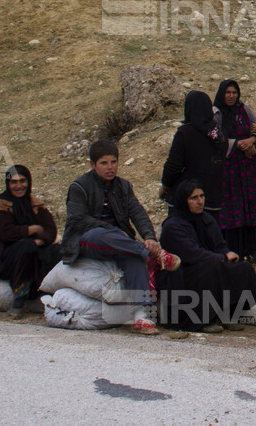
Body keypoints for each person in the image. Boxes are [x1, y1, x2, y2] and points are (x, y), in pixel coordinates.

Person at [60, 139, 179, 336]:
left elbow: (137, 212)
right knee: (105, 235)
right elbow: (78, 220)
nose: (110, 167)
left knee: (133, 256)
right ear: (92, 165)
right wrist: (112, 230)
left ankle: (141, 315)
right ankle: (152, 254)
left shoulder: (123, 186)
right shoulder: (79, 187)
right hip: (88, 239)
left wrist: (149, 237)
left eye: (113, 162)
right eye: (104, 163)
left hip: (121, 242)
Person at [158, 179, 256, 332]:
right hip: (183, 274)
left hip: (208, 265)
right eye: (194, 198)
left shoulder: (206, 219)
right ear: (183, 201)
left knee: (243, 269)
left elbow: (219, 245)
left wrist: (227, 254)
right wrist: (222, 258)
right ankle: (201, 320)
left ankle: (227, 316)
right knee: (210, 267)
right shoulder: (173, 225)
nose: (200, 201)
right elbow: (192, 254)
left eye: (202, 196)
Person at [0, 165, 63, 315]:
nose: (19, 186)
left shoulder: (36, 204)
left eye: (22, 181)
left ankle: (44, 293)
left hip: (36, 248)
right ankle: (20, 296)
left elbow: (50, 229)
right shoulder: (1, 204)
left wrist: (40, 241)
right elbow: (3, 232)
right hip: (6, 256)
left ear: (29, 182)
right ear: (8, 184)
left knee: (57, 251)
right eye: (14, 182)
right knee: (27, 248)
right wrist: (31, 230)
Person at [213, 79, 256, 262]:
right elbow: (213, 138)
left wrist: (252, 140)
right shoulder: (216, 113)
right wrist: (234, 144)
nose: (231, 96)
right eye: (228, 93)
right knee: (232, 208)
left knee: (252, 205)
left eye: (234, 92)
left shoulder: (243, 109)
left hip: (248, 166)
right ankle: (233, 252)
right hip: (228, 169)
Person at [159, 91, 227, 217]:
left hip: (186, 200)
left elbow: (173, 166)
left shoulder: (185, 132)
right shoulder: (218, 134)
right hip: (212, 201)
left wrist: (165, 185)